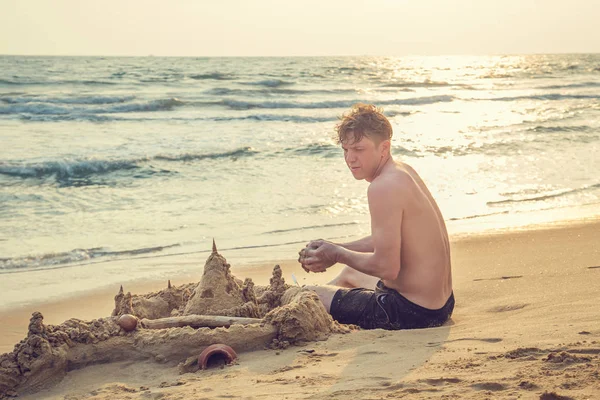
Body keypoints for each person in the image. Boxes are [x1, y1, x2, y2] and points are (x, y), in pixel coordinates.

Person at [298, 103, 454, 330]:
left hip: (411, 312)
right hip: (441, 304)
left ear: (384, 148)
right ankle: (330, 299)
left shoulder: (382, 187)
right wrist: (334, 246)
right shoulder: (402, 171)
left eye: (359, 150)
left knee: (310, 296)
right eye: (345, 150)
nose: (350, 159)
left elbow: (387, 268)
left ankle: (320, 300)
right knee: (350, 272)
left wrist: (337, 254)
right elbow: (388, 239)